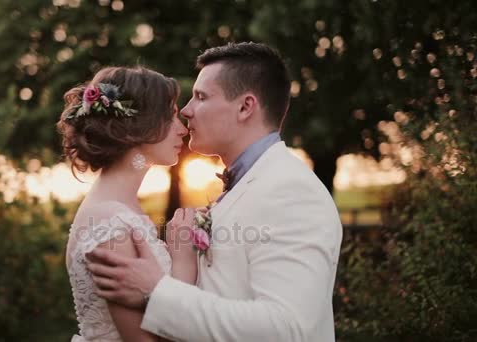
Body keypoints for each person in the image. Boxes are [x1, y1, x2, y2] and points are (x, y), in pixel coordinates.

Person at [86, 42, 343, 341]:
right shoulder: (247, 186)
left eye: (200, 97)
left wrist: (156, 292)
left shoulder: (292, 191)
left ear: (245, 107)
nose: (185, 110)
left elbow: (286, 328)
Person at [57, 66, 195, 342]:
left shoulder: (119, 207)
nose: (183, 130)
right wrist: (183, 259)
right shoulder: (110, 223)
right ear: (138, 126)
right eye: (171, 117)